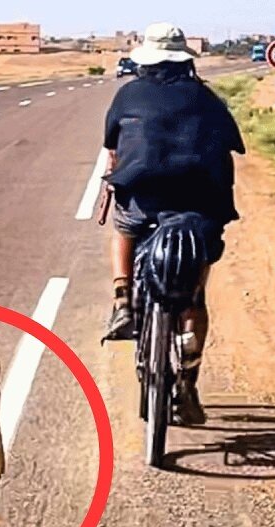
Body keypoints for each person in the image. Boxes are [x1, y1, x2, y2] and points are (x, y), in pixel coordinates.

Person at [100, 22, 246, 426]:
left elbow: (111, 146)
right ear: (186, 61)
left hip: (143, 198)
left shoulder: (127, 93)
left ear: (145, 59)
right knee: (196, 291)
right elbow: (234, 144)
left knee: (125, 229)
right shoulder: (206, 98)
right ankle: (188, 370)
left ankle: (122, 300)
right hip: (198, 205)